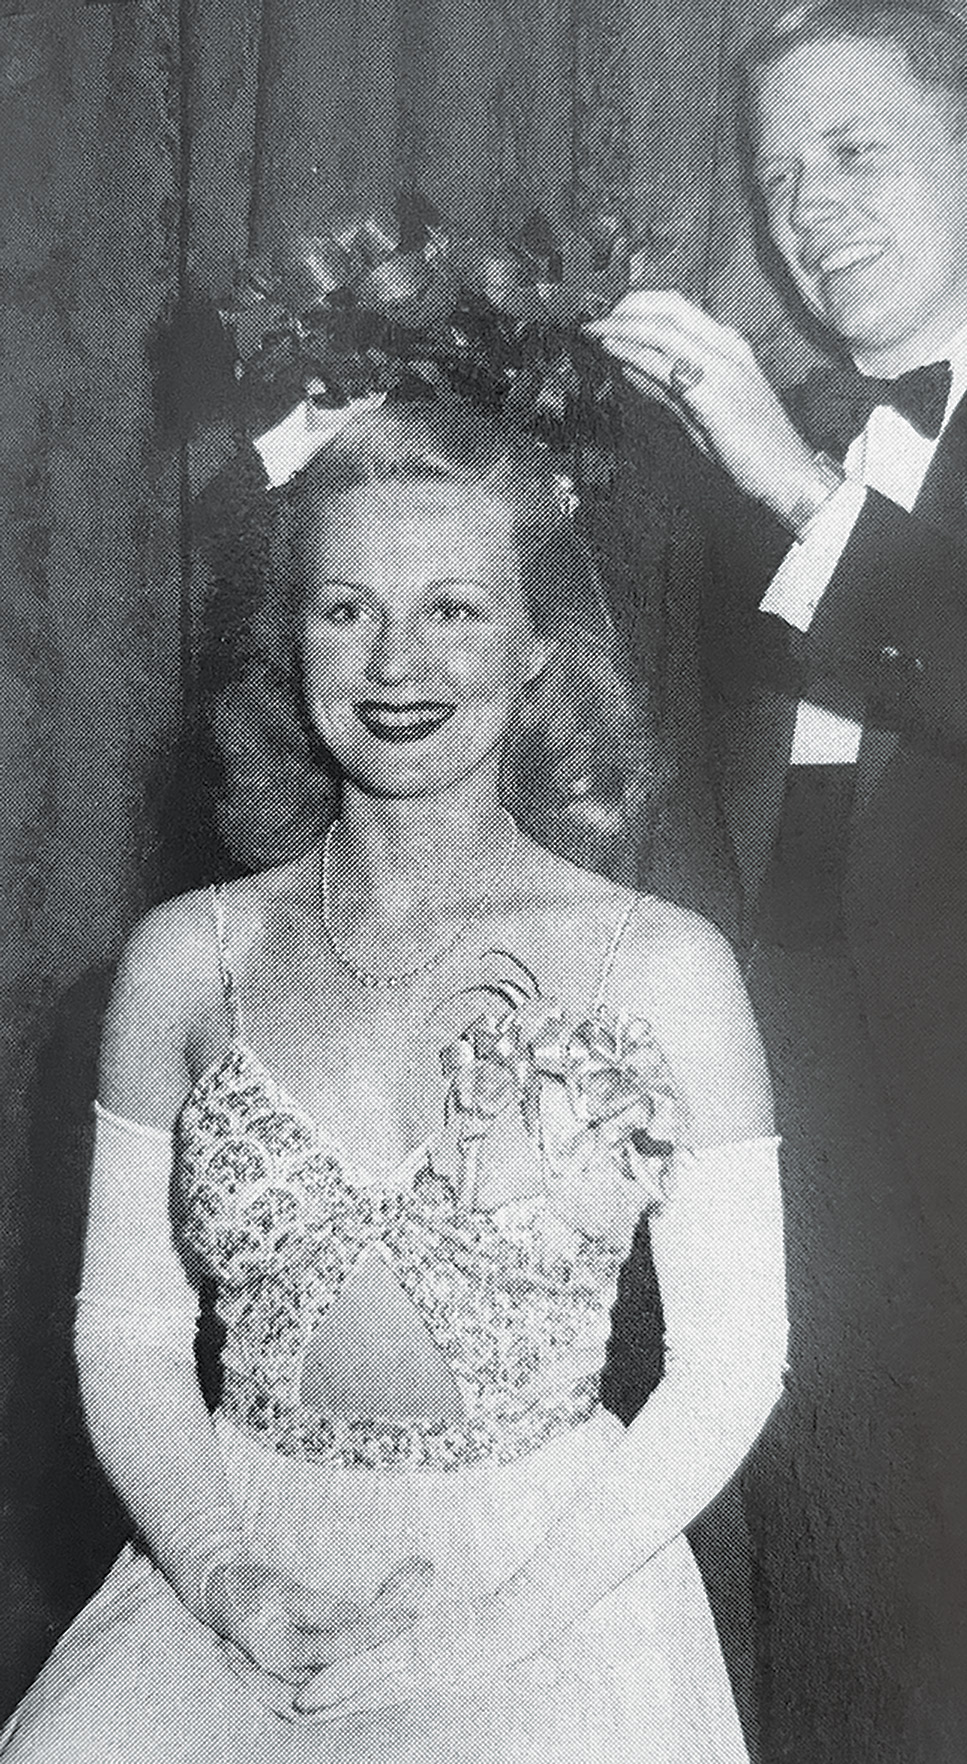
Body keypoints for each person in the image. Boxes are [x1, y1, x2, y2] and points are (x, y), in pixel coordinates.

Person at [0, 390, 787, 1763]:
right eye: (346, 609)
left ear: (542, 643)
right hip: (238, 1579)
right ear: (290, 639)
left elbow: (732, 1366)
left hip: (547, 1597)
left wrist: (495, 1632)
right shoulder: (189, 960)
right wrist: (225, 1580)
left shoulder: (662, 969)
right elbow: (127, 1336)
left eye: (457, 610)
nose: (394, 663)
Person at [591, 3, 967, 1759]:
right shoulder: (722, 460)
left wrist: (798, 494)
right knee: (832, 1667)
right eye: (779, 177)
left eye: (855, 153)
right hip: (787, 1157)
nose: (810, 212)